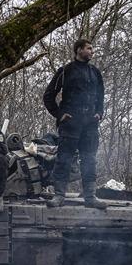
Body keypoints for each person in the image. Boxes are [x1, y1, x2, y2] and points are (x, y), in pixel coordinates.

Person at [42, 38, 108, 209]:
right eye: (89, 48)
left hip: (90, 126)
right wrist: (59, 114)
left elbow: (101, 97)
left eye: (92, 48)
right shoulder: (65, 71)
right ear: (78, 50)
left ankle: (90, 197)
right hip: (70, 124)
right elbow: (48, 95)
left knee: (89, 160)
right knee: (63, 159)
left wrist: (99, 113)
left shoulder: (95, 72)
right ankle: (59, 196)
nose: (92, 51)